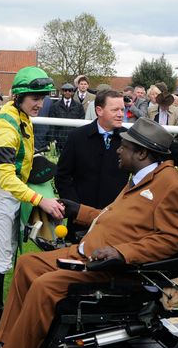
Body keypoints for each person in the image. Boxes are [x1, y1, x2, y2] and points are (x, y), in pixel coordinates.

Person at [0, 117, 178, 348]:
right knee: (27, 264)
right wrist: (78, 210)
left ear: (142, 153)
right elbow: (112, 218)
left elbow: (170, 241)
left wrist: (120, 252)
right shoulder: (141, 177)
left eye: (125, 146)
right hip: (87, 253)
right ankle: (7, 345)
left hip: (116, 269)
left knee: (46, 286)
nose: (118, 149)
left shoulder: (170, 185)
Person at [0, 66, 65, 334]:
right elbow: (4, 176)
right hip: (1, 194)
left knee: (8, 248)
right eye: (35, 97)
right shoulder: (5, 125)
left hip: (12, 193)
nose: (40, 103)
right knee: (1, 256)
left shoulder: (21, 115)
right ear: (19, 96)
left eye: (43, 97)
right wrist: (40, 200)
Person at [55, 90, 129, 242]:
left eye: (122, 109)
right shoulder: (77, 137)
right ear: (99, 110)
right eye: (115, 109)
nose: (121, 114)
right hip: (80, 219)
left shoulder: (129, 140)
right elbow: (62, 176)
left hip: (115, 218)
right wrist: (76, 208)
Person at [47, 83, 84, 151]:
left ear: (72, 92)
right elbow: (51, 126)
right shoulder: (55, 106)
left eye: (69, 90)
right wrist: (52, 141)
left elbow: (81, 125)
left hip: (73, 140)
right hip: (58, 141)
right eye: (65, 90)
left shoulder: (79, 106)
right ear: (62, 92)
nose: (67, 92)